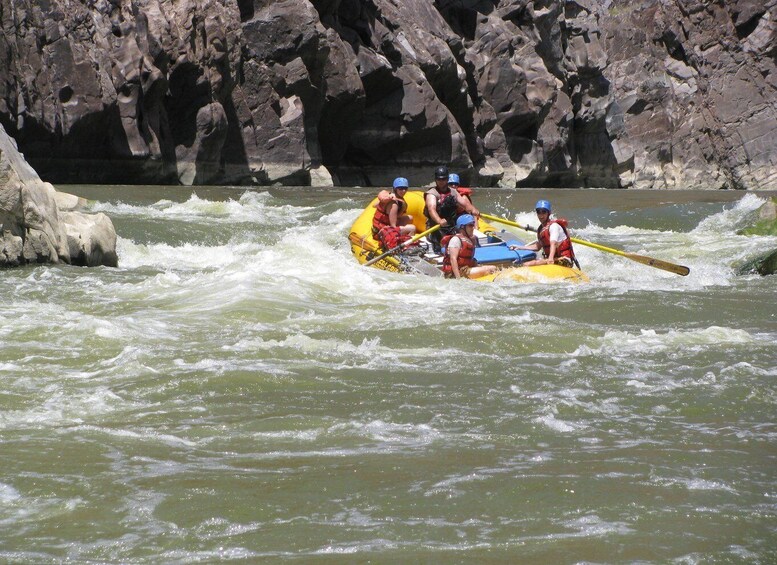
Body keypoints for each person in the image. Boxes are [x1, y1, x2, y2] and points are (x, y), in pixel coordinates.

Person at [424, 165, 479, 252]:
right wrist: (439, 220)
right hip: (436, 227)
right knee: (446, 244)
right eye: (439, 179)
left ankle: (468, 256)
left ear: (447, 179)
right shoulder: (432, 194)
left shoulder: (453, 192)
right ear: (436, 180)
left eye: (444, 179)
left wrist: (473, 210)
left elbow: (465, 204)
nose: (441, 181)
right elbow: (431, 209)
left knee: (470, 238)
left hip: (451, 225)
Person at [511, 199, 577, 267]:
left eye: (544, 212)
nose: (541, 215)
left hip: (564, 259)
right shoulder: (541, 229)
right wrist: (520, 247)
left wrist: (550, 258)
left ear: (549, 213)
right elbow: (537, 247)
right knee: (526, 262)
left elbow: (553, 243)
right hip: (554, 258)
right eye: (538, 212)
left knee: (529, 264)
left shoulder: (553, 226)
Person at [442, 214, 498, 279]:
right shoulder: (456, 240)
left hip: (466, 269)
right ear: (462, 227)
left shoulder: (470, 240)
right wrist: (458, 279)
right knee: (491, 269)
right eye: (470, 225)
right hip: (456, 273)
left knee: (493, 268)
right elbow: (453, 259)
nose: (473, 227)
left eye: (473, 225)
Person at [372, 177, 417, 249]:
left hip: (383, 224)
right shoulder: (394, 204)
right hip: (381, 231)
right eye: (400, 188)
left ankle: (404, 238)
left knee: (410, 218)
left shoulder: (392, 197)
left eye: (405, 188)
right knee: (412, 228)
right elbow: (393, 225)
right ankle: (408, 247)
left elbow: (374, 205)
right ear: (395, 189)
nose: (403, 191)